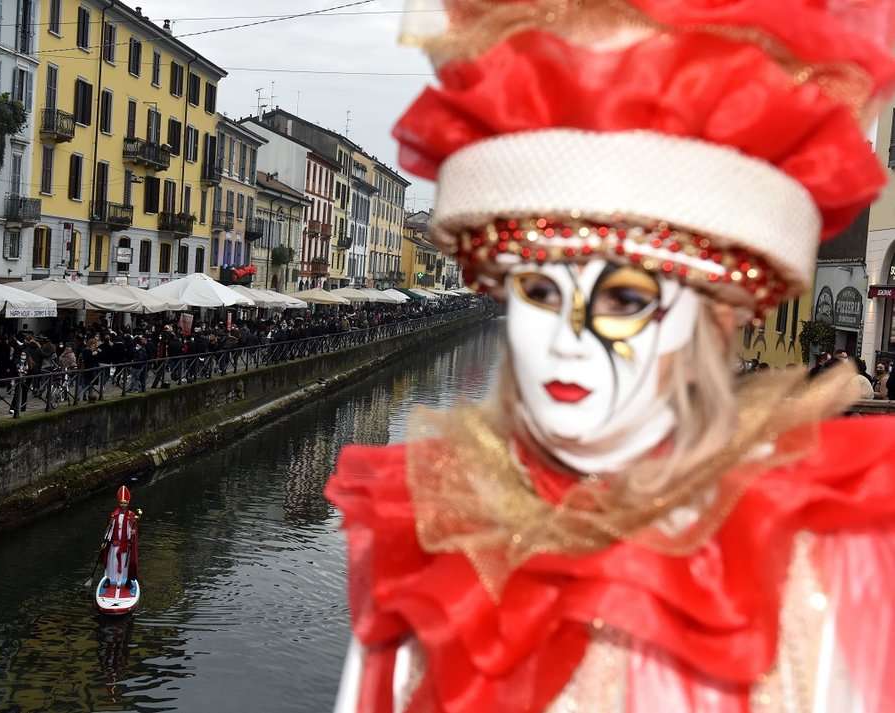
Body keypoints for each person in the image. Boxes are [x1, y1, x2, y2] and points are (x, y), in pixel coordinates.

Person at [325, 2, 895, 711]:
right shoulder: (429, 542)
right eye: (538, 289)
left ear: (713, 318)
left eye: (623, 300)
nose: (568, 337)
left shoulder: (816, 580)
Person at [99, 485, 139, 590]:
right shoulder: (114, 515)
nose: (123, 505)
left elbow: (133, 530)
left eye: (125, 503)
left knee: (126, 564)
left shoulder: (131, 515)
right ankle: (108, 579)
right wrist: (105, 540)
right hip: (115, 544)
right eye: (121, 503)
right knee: (112, 562)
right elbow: (109, 529)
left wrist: (133, 533)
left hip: (126, 545)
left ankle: (127, 581)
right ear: (118, 503)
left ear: (128, 503)